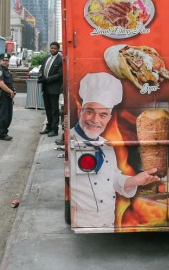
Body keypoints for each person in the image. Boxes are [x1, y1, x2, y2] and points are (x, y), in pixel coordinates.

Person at [69, 72, 160, 228]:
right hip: (81, 223)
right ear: (80, 112)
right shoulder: (70, 141)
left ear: (109, 118)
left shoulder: (106, 146)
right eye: (90, 112)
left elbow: (114, 181)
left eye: (103, 115)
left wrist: (136, 180)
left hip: (107, 224)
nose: (95, 120)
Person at [38, 42, 63, 139]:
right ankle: (49, 127)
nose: (52, 50)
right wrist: (41, 76)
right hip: (45, 88)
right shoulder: (47, 58)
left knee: (54, 109)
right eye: (51, 48)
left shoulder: (60, 60)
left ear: (58, 49)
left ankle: (54, 129)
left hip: (54, 88)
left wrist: (47, 79)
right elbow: (42, 69)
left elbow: (60, 75)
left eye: (54, 48)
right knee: (47, 108)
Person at [0, 53, 15, 141]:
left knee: (8, 116)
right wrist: (10, 91)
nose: (5, 62)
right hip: (3, 96)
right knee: (3, 116)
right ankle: (2, 134)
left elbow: (9, 83)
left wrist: (13, 91)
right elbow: (1, 84)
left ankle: (5, 132)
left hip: (8, 96)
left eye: (6, 60)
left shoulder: (6, 70)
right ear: (0, 60)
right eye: (3, 60)